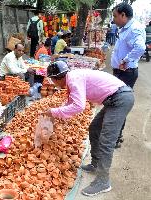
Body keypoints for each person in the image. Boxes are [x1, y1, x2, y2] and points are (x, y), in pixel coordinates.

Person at [44, 61, 134, 197]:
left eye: (52, 80)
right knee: (94, 129)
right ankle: (96, 163)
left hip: (119, 99)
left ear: (56, 78)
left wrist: (54, 112)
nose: (53, 83)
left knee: (106, 141)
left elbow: (79, 106)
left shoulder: (73, 79)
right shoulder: (72, 78)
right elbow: (71, 102)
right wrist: (56, 115)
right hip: (114, 99)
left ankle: (103, 181)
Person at [111, 2, 146, 148]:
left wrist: (126, 60)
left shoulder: (134, 28)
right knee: (115, 102)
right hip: (121, 72)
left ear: (123, 15)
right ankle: (115, 134)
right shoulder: (125, 28)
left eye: (115, 16)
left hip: (126, 73)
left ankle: (116, 137)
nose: (114, 19)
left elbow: (140, 47)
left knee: (120, 104)